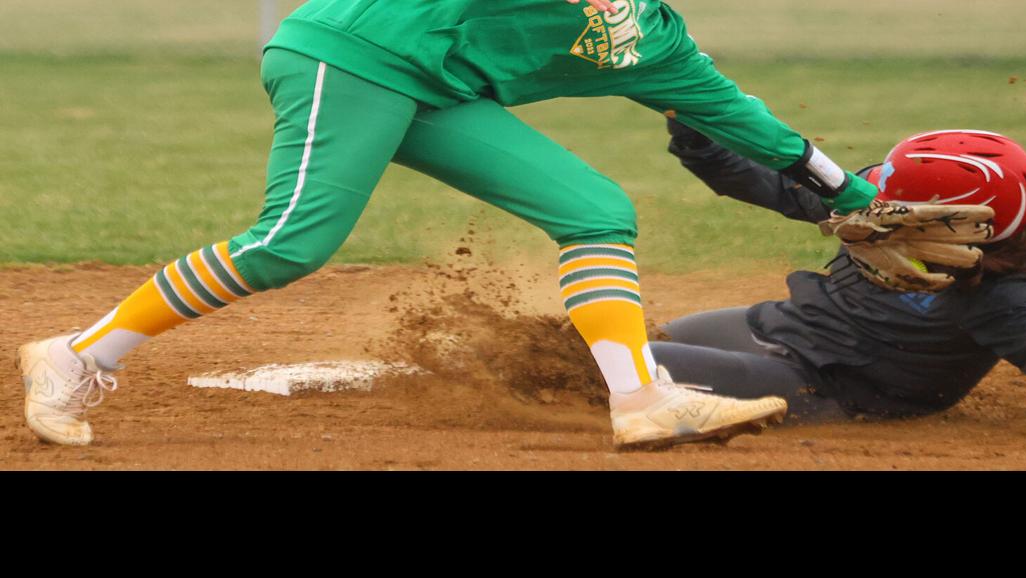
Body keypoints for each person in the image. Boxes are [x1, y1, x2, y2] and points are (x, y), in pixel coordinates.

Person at [16, 0, 882, 451]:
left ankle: (642, 402)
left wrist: (850, 196)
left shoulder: (651, 39)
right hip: (347, 56)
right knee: (292, 244)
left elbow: (739, 118)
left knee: (594, 211)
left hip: (440, 88)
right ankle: (77, 356)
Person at [651, 120, 1026, 422]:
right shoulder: (878, 210)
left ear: (952, 217)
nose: (875, 200)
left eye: (895, 198)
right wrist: (698, 138)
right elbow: (774, 185)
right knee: (644, 336)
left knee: (632, 365)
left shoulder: (999, 292)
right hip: (784, 326)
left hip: (830, 385)